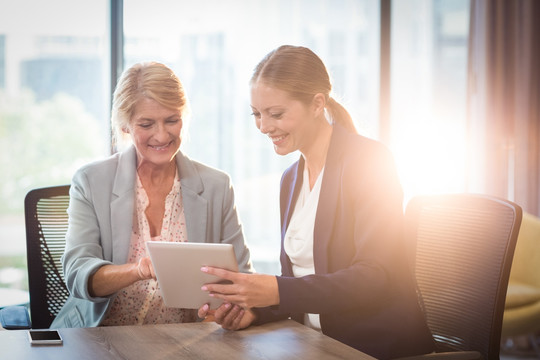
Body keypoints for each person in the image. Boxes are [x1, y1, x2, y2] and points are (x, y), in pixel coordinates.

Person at [198, 45, 435, 359]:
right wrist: (257, 311)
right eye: (257, 114)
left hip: (369, 347)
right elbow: (303, 287)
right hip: (310, 344)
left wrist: (277, 290)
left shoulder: (369, 161)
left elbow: (376, 276)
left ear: (317, 103)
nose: (264, 126)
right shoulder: (290, 180)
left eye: (276, 113)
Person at [51, 61, 253, 328]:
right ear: (125, 126)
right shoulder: (90, 181)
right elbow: (78, 274)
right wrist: (139, 270)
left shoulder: (217, 186)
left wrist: (238, 313)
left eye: (172, 120)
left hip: (182, 342)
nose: (162, 135)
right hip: (100, 338)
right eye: (146, 124)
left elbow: (243, 281)